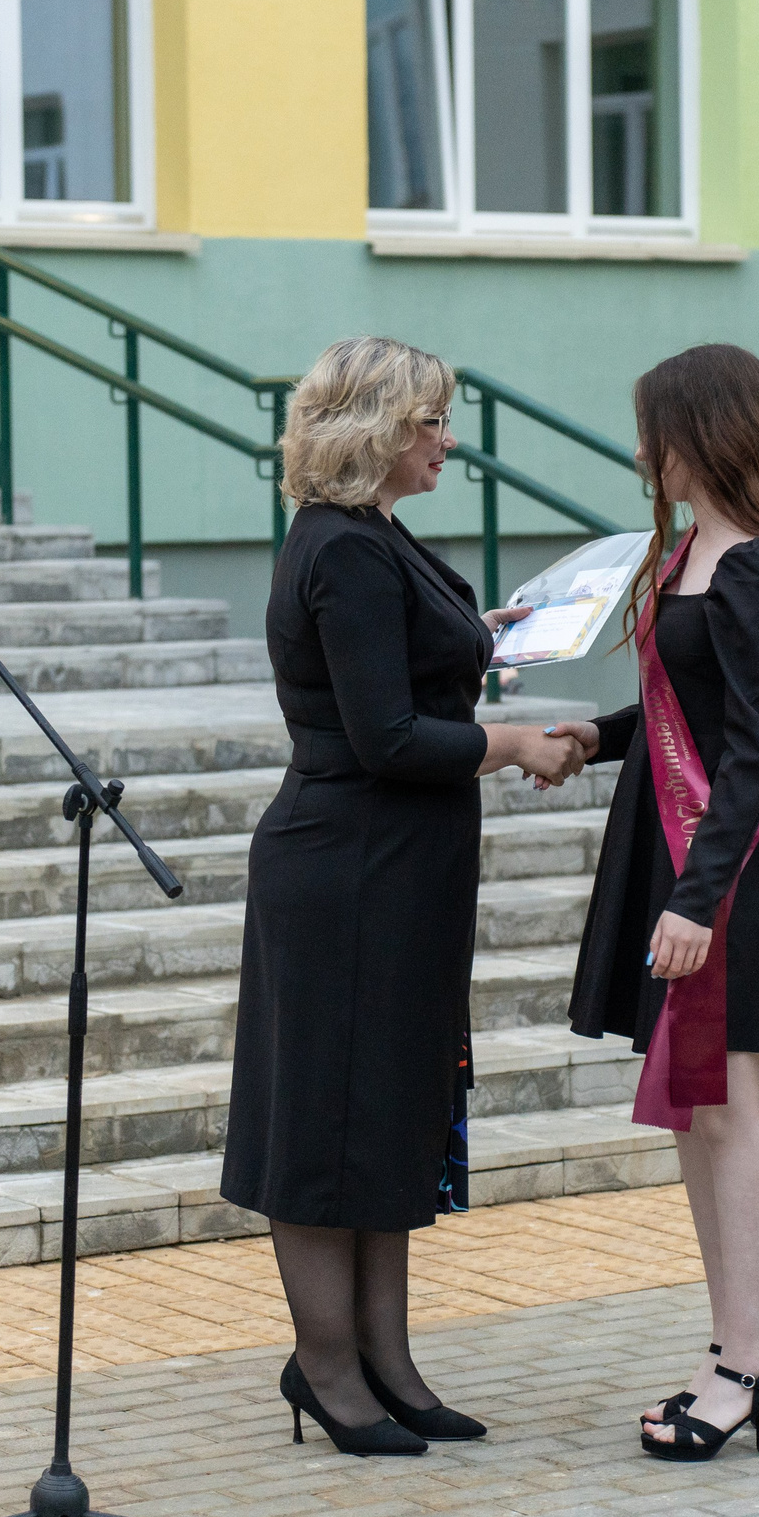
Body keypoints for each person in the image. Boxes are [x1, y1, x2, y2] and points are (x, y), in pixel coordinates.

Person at [221, 336, 589, 1456]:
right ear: (375, 428)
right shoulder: (338, 547)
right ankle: (326, 1368)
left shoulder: (379, 536)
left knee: (388, 1107)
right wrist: (512, 740)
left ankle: (388, 1361)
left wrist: (484, 644)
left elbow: (405, 669)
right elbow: (381, 736)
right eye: (430, 422)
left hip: (404, 869)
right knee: (327, 1118)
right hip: (347, 869)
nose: (447, 441)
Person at [547, 343, 759, 1463]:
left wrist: (698, 898)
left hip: (727, 865)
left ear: (702, 432)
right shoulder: (684, 555)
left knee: (733, 1106)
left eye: (653, 431)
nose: (640, 453)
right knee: (697, 1108)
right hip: (674, 852)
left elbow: (757, 753)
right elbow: (689, 706)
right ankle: (729, 1350)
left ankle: (749, 1366)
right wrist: (597, 735)